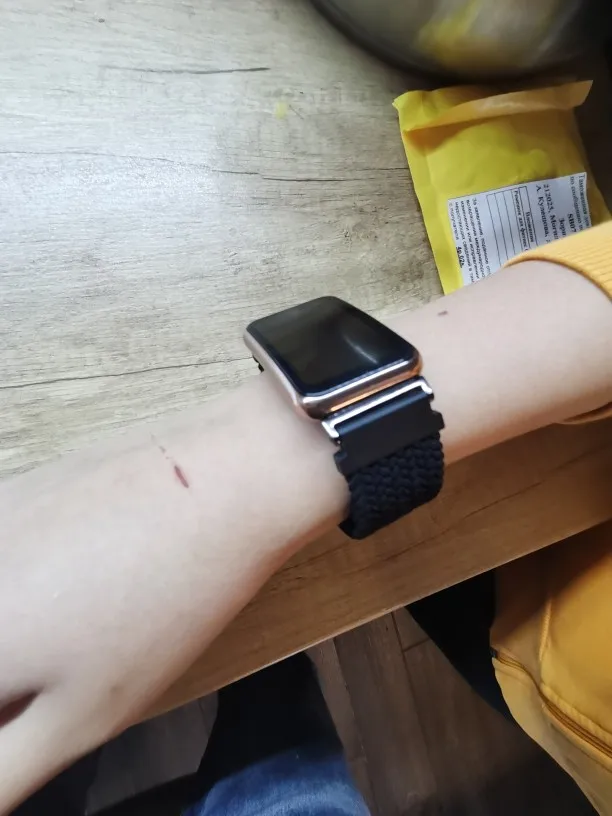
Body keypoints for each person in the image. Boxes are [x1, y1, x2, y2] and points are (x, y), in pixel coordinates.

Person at [0, 223, 611, 815]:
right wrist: (197, 476)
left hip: (546, 688)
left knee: (279, 733)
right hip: (544, 585)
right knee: (283, 745)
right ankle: (272, 685)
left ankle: (269, 683)